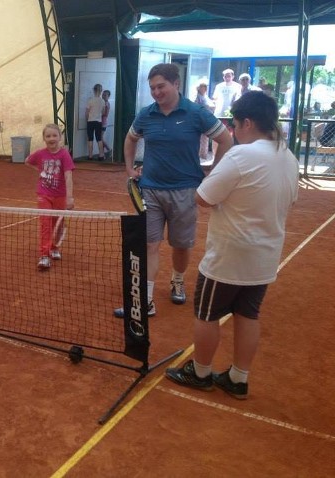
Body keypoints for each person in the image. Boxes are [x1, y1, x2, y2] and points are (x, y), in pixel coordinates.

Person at [165, 91, 299, 399]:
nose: (233, 132)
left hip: (230, 256)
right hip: (265, 257)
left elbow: (202, 197)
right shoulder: (288, 157)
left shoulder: (242, 155)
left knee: (206, 313)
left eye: (235, 125)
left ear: (248, 123)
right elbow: (290, 201)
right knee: (248, 315)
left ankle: (200, 372)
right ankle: (238, 378)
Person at [113, 63, 233, 319]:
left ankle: (177, 280)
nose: (156, 92)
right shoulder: (146, 114)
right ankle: (145, 301)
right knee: (149, 244)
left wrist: (212, 173)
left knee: (181, 245)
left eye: (161, 86)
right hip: (151, 190)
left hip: (186, 191)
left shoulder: (196, 112)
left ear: (176, 84)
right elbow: (131, 138)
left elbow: (225, 139)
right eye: (152, 87)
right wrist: (129, 168)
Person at [25, 123, 75, 270]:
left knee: (58, 225)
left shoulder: (64, 154)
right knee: (45, 224)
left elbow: (68, 175)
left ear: (60, 137)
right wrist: (40, 170)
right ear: (44, 138)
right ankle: (44, 255)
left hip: (60, 196)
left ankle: (54, 248)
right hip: (44, 194)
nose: (51, 138)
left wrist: (70, 197)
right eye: (48, 136)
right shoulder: (40, 154)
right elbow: (27, 161)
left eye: (54, 135)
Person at [193, 79, 215, 160]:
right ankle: (200, 156)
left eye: (205, 87)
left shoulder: (205, 96)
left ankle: (203, 155)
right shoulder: (197, 97)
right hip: (201, 120)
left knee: (205, 138)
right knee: (201, 139)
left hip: (207, 119)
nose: (204, 88)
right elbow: (197, 108)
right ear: (198, 88)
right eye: (202, 87)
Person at [85, 83, 106, 160]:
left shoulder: (90, 100)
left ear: (94, 90)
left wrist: (87, 119)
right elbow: (103, 112)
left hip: (90, 121)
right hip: (98, 121)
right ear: (101, 91)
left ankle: (90, 156)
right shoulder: (102, 101)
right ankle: (101, 155)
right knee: (99, 138)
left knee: (90, 138)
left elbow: (87, 112)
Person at [101, 89, 113, 157]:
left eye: (105, 95)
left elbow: (106, 114)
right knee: (100, 139)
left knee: (100, 138)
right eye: (103, 94)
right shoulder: (102, 102)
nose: (103, 96)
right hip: (99, 122)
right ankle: (102, 154)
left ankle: (109, 149)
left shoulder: (107, 103)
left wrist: (98, 114)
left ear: (108, 96)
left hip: (103, 123)